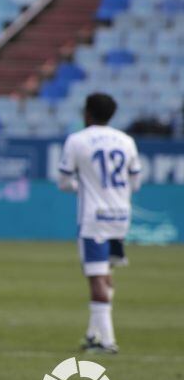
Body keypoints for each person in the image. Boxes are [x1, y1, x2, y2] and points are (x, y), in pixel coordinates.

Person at [57, 93, 141, 354]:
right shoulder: (126, 141)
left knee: (95, 277)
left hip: (94, 218)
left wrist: (81, 187)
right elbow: (135, 182)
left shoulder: (77, 140)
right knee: (105, 273)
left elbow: (63, 182)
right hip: (120, 215)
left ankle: (107, 341)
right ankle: (94, 334)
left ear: (87, 113)